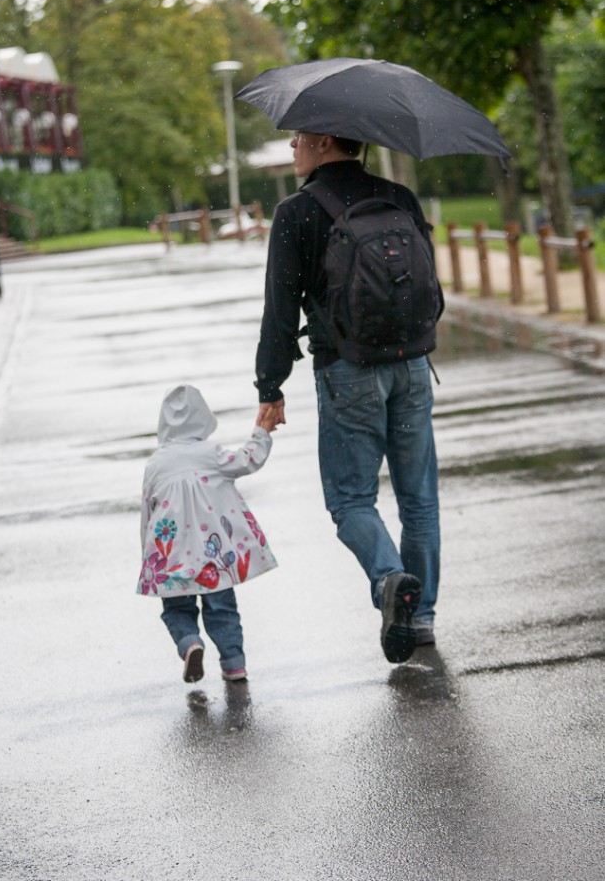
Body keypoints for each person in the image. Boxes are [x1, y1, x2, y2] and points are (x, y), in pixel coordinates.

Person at [255, 131, 443, 663]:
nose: (292, 147)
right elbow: (429, 287)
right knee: (419, 501)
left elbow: (280, 307)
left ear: (319, 142)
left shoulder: (296, 212)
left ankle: (390, 580)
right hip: (411, 365)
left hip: (346, 367)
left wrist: (270, 385)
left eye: (297, 139)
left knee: (351, 501)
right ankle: (421, 614)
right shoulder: (398, 198)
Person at [138, 384, 278, 684]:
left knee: (176, 606)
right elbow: (248, 459)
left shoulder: (156, 465)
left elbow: (147, 514)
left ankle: (190, 643)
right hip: (213, 556)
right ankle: (234, 662)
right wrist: (261, 432)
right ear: (203, 417)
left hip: (171, 555)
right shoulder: (210, 454)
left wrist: (148, 559)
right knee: (222, 607)